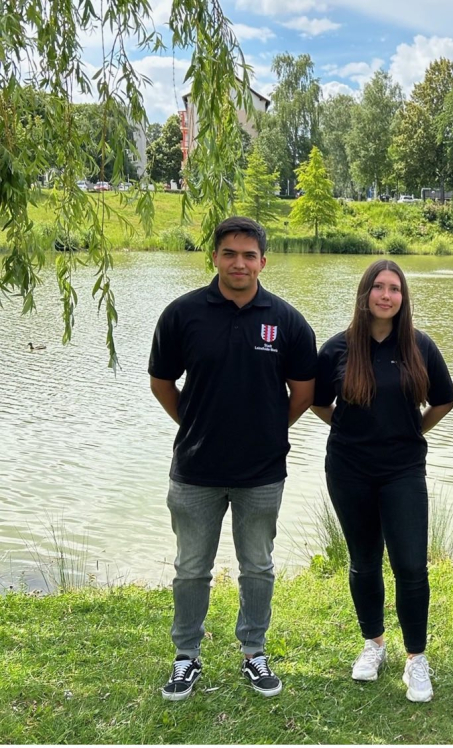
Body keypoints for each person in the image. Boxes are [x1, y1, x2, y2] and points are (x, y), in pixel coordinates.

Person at [149, 216, 317, 701]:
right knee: (190, 569)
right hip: (195, 470)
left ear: (263, 261)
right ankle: (186, 657)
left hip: (261, 472)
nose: (239, 263)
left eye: (249, 255)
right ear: (215, 258)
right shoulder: (182, 315)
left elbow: (303, 392)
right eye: (230, 253)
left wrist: (265, 431)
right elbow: (162, 382)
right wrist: (195, 423)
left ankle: (254, 652)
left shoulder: (286, 320)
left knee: (258, 567)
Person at [311, 259, 453, 703]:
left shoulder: (419, 347)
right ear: (365, 294)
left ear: (403, 298)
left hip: (402, 470)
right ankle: (373, 643)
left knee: (411, 564)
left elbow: (445, 401)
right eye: (379, 287)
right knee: (363, 559)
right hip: (349, 469)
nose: (387, 295)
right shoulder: (338, 349)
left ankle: (416, 658)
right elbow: (317, 403)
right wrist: (355, 430)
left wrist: (408, 432)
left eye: (395, 288)